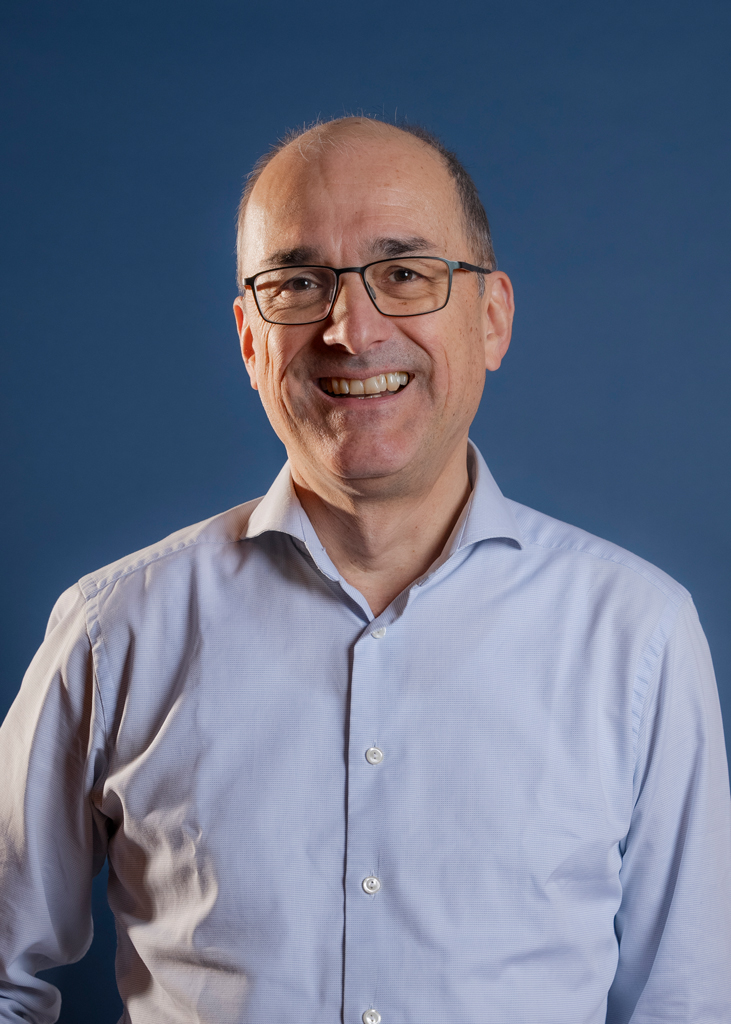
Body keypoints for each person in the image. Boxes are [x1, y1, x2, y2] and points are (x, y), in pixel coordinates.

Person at [0, 116, 729, 1024]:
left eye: (405, 274)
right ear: (249, 340)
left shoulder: (637, 635)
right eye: (298, 283)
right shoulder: (114, 632)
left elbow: (688, 1005)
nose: (351, 330)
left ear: (491, 319)